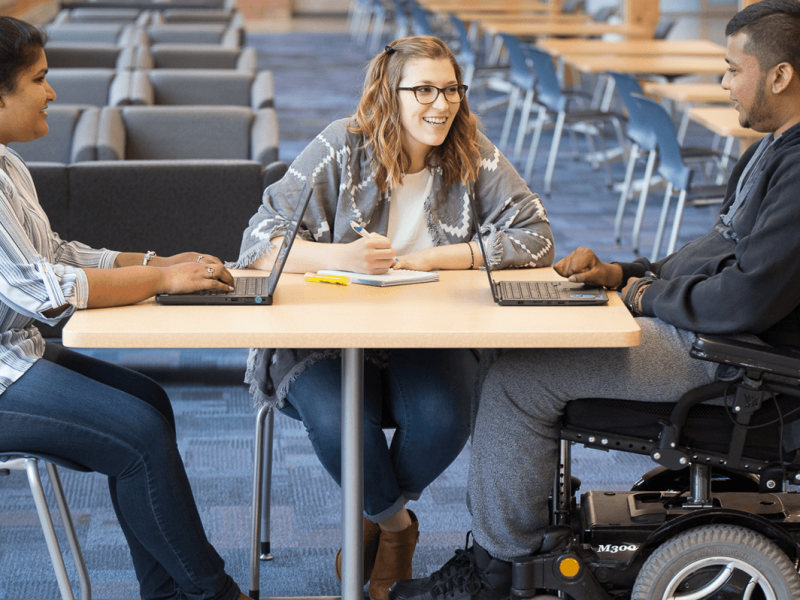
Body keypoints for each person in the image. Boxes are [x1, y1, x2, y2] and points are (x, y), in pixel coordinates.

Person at [387, 2, 800, 599]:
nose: (724, 83)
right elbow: (718, 255)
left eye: (734, 69)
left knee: (516, 381)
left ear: (781, 76)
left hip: (737, 357)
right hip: (715, 336)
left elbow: (744, 299)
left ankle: (496, 573)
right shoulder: (770, 149)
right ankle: (510, 546)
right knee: (513, 362)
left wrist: (647, 295)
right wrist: (621, 273)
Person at [235, 36, 554, 600]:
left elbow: (536, 237)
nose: (443, 103)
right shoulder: (340, 146)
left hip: (427, 336)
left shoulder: (470, 151)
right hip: (324, 338)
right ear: (390, 93)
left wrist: (441, 256)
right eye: (425, 90)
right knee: (341, 423)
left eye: (452, 89)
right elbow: (258, 241)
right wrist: (340, 256)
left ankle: (371, 512)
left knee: (443, 422)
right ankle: (396, 529)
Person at [0, 17, 249, 600]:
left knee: (149, 400)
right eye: (38, 79)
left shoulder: (7, 163)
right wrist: (160, 278)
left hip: (16, 350)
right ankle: (213, 594)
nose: (52, 92)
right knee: (137, 435)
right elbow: (43, 290)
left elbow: (57, 254)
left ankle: (167, 594)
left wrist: (157, 259)